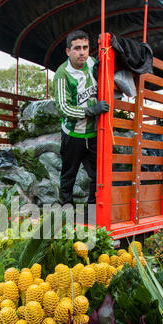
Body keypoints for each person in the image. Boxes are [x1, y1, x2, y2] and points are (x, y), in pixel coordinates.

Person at [53, 30, 109, 220]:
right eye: (77, 48)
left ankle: (91, 214)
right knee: (69, 175)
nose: (82, 52)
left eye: (85, 47)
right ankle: (67, 212)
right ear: (68, 51)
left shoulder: (93, 63)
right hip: (73, 135)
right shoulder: (62, 74)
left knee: (97, 176)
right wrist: (90, 111)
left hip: (93, 135)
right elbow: (63, 108)